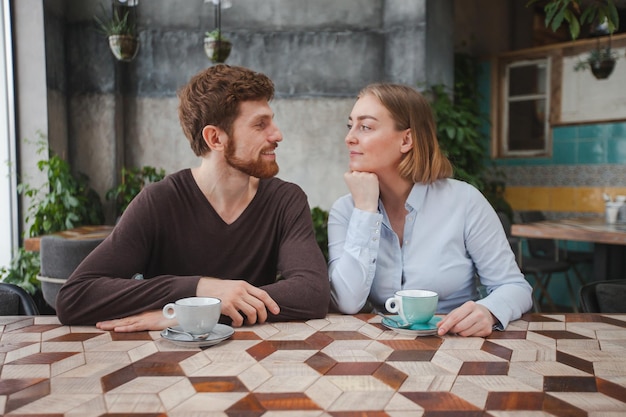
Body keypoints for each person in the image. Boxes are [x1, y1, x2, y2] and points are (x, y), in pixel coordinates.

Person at [56, 64, 330, 332]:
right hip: (166, 364)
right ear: (215, 138)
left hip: (259, 359)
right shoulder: (159, 201)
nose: (277, 135)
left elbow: (312, 293)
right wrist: (202, 288)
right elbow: (75, 297)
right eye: (260, 125)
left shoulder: (285, 200)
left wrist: (190, 314)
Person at [328, 83, 533, 337]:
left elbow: (514, 286)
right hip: (381, 350)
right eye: (351, 126)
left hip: (457, 343)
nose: (350, 137)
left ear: (406, 139)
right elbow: (347, 302)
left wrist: (489, 311)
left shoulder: (464, 201)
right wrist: (366, 211)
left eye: (366, 127)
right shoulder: (346, 210)